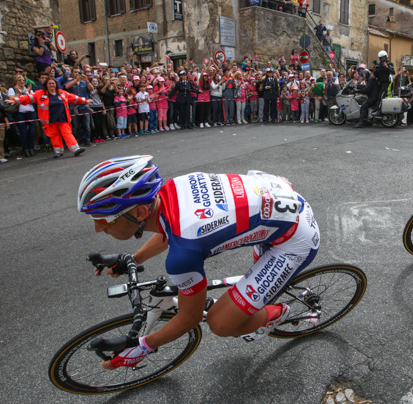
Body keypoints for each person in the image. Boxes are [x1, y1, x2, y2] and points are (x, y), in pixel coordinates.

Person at [78, 156, 320, 369]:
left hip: (294, 239)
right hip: (279, 203)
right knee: (241, 299)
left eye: (104, 220)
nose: (98, 229)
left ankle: (277, 313)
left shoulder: (183, 254)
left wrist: (143, 347)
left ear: (140, 213)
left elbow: (189, 318)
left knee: (221, 323)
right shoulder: (171, 190)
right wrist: (133, 259)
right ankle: (256, 302)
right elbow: (172, 230)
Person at [7, 76, 90, 158]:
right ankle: (58, 151)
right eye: (49, 83)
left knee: (67, 133)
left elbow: (74, 98)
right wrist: (15, 100)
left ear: (56, 84)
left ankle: (75, 149)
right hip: (49, 119)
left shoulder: (62, 93)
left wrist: (85, 101)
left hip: (63, 118)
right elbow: (27, 98)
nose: (51, 85)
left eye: (53, 83)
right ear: (46, 85)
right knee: (54, 135)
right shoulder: (40, 93)